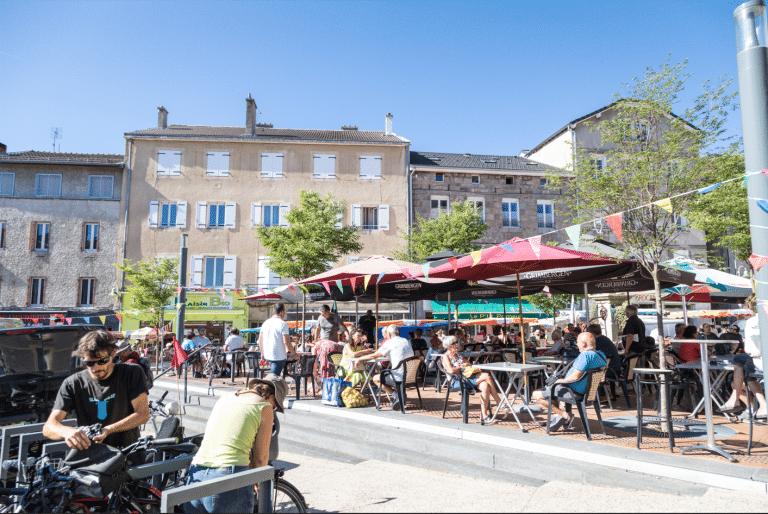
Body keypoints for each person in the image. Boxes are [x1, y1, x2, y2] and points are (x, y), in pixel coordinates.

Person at [183, 374, 286, 513]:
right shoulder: (264, 407)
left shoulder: (226, 397)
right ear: (272, 396)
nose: (273, 407)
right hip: (227, 477)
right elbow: (261, 458)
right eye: (276, 405)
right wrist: (256, 480)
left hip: (196, 474)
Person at [43, 330, 150, 449]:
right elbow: (49, 427)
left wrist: (107, 430)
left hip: (127, 453)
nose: (95, 368)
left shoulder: (131, 373)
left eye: (102, 361)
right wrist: (66, 432)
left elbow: (143, 414)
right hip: (91, 458)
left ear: (114, 353)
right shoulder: (73, 383)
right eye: (89, 363)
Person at [531, 332, 607, 432]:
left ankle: (563, 415)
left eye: (578, 342)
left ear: (584, 344)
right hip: (589, 393)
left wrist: (561, 380)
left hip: (574, 393)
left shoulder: (585, 356)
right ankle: (558, 419)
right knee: (554, 389)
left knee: (536, 395)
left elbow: (575, 376)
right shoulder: (601, 355)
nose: (577, 345)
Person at [440, 336, 502, 423]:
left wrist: (466, 364)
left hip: (468, 378)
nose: (456, 344)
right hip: (458, 381)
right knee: (487, 375)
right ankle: (498, 401)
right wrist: (460, 367)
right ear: (448, 346)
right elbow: (450, 370)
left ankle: (484, 415)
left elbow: (470, 364)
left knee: (485, 385)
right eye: (454, 343)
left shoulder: (458, 355)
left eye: (456, 342)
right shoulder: (445, 356)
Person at [354, 325, 414, 411]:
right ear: (398, 333)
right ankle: (400, 394)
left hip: (398, 377)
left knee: (375, 378)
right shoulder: (406, 341)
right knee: (390, 373)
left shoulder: (390, 342)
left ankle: (397, 395)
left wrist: (360, 359)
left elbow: (375, 355)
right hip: (410, 376)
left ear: (389, 334)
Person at [258, 304, 295, 376]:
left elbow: (260, 340)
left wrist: (262, 352)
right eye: (284, 311)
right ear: (281, 312)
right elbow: (286, 341)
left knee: (274, 377)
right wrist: (294, 353)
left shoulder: (265, 323)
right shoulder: (283, 324)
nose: (284, 314)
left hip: (267, 355)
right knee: (273, 378)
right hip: (278, 356)